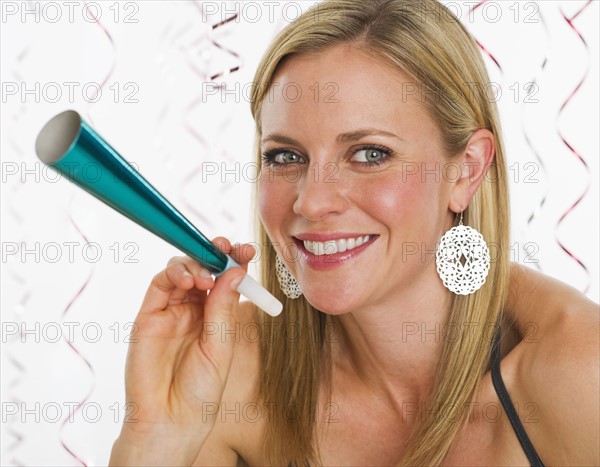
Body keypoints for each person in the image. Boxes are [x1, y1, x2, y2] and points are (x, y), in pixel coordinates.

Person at [109, 0, 599, 465]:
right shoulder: (228, 364)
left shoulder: (579, 371)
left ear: (466, 171)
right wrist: (154, 439)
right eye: (286, 156)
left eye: (369, 154)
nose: (311, 202)